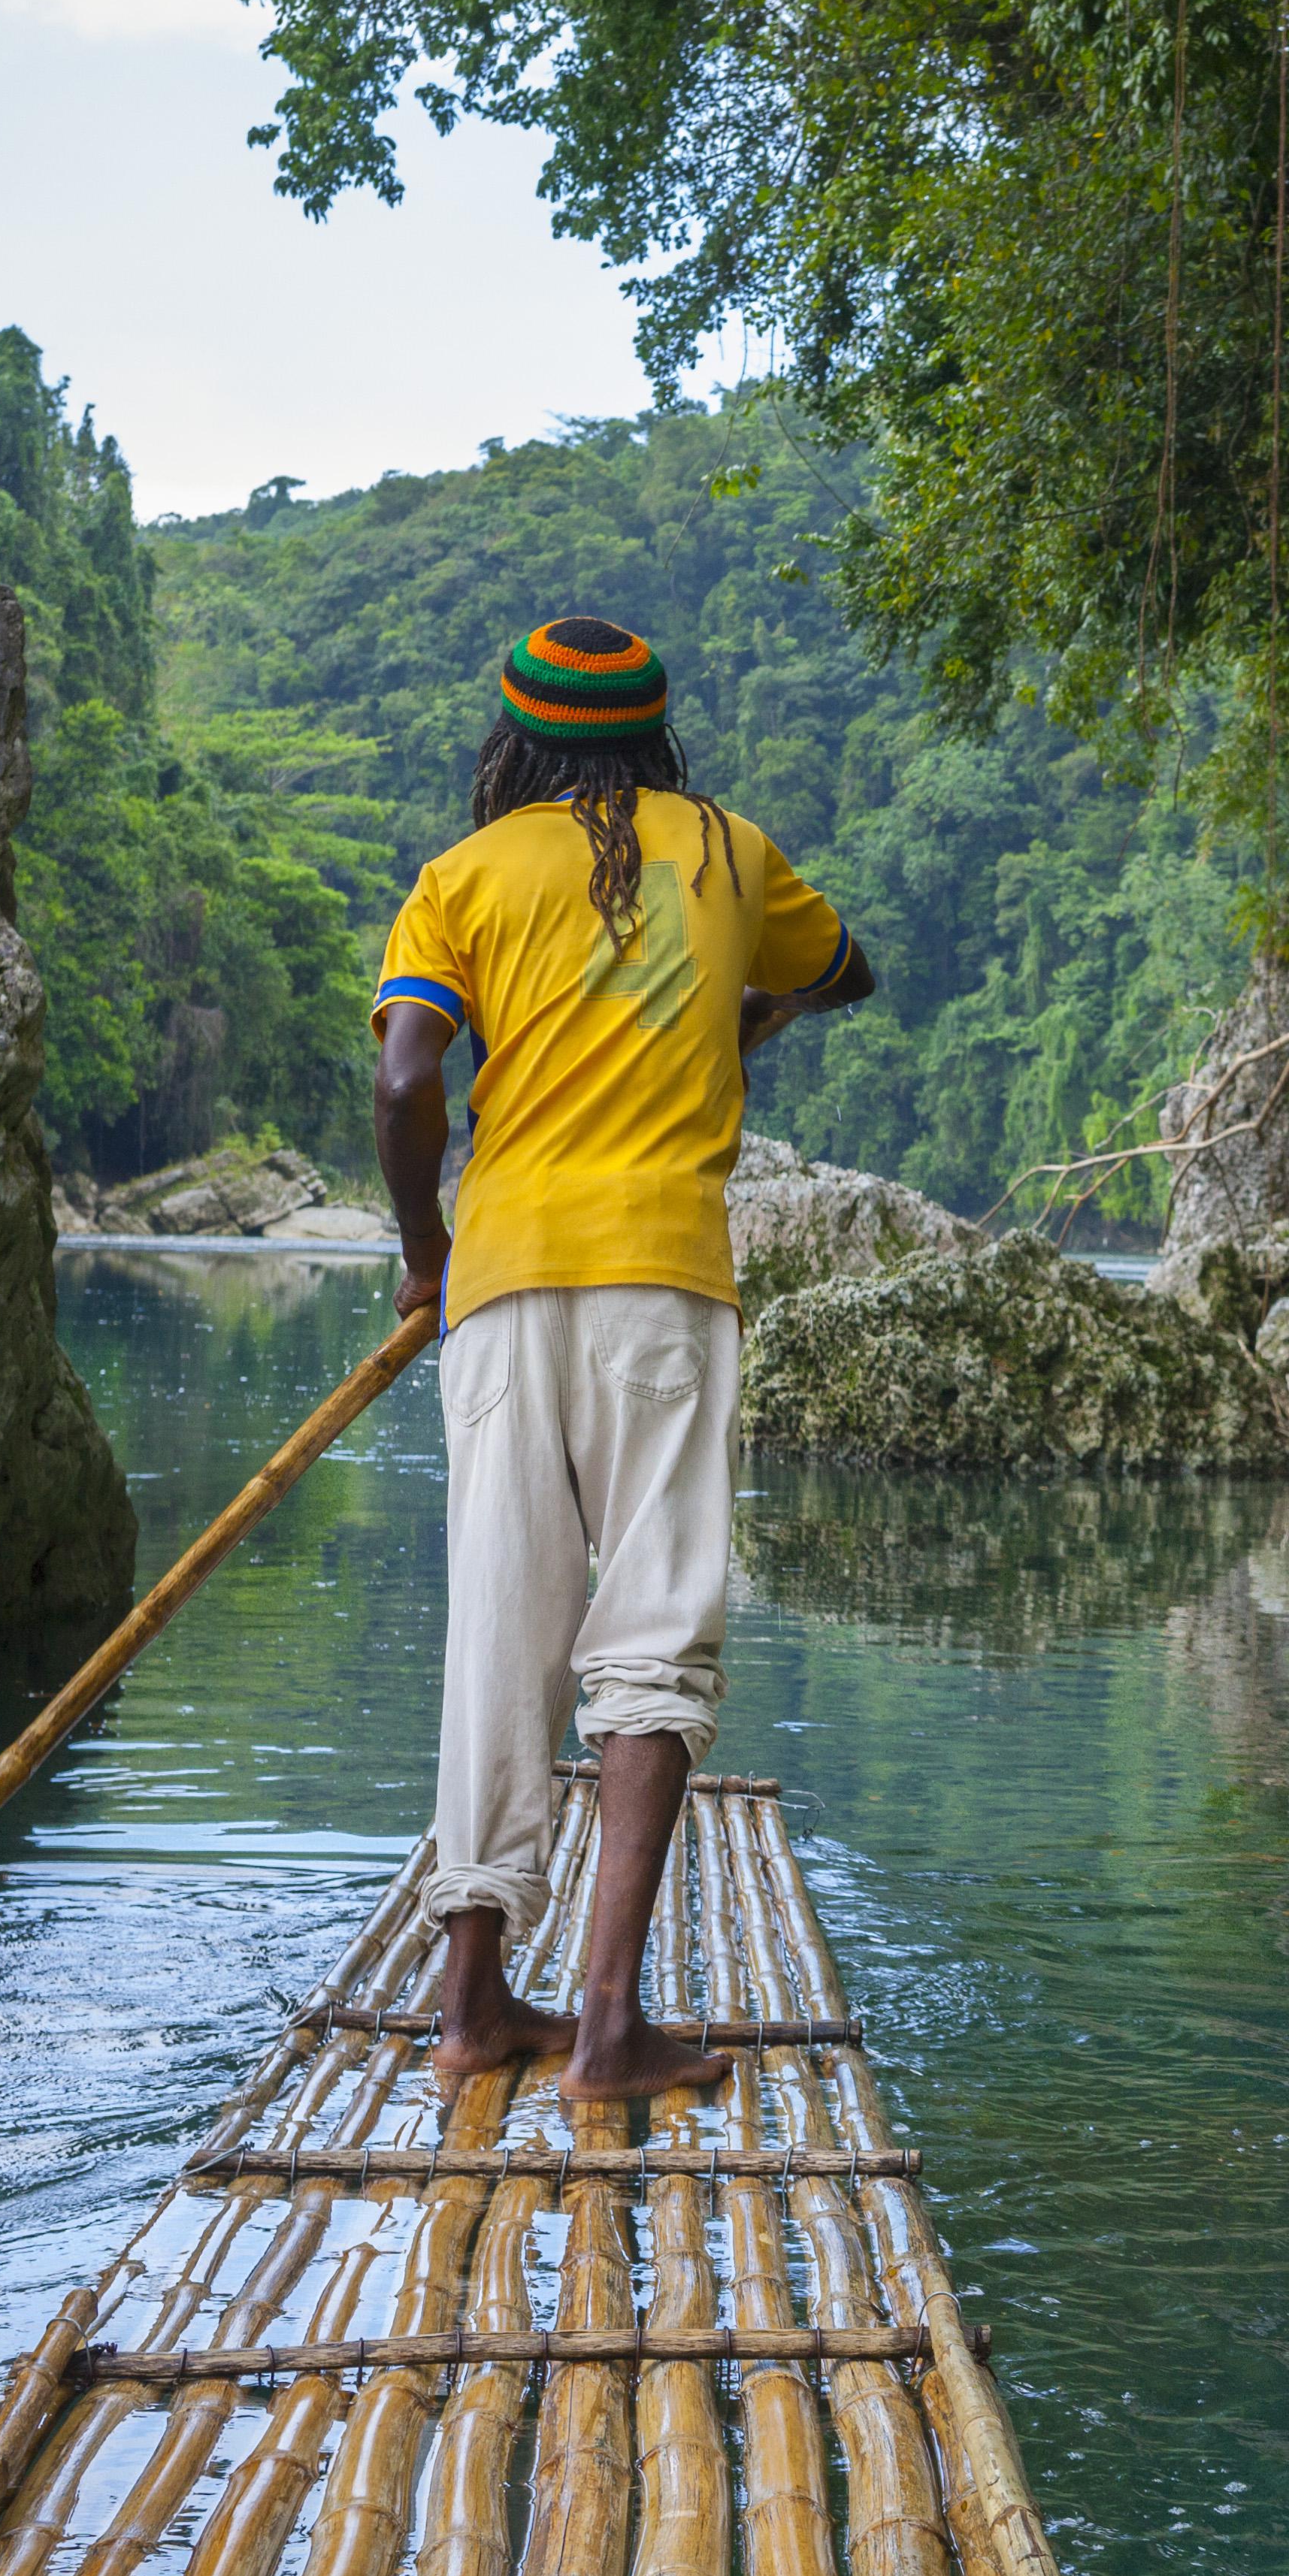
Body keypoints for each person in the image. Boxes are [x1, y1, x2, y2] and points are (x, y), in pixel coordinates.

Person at [368, 617, 875, 2098]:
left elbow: (407, 1075)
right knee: (654, 1638)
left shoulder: (465, 877)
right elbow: (846, 968)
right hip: (665, 1280)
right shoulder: (731, 852)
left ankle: (471, 2004)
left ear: (513, 738)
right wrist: (739, 1012)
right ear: (656, 733)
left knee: (500, 1635)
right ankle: (605, 2024)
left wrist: (422, 1252)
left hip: (508, 1279)